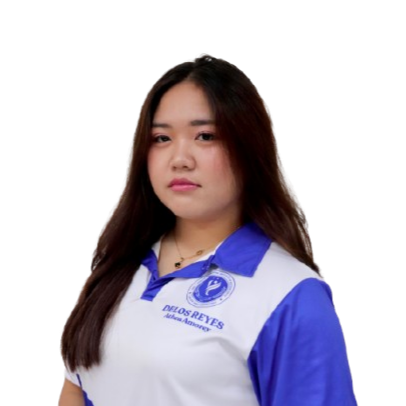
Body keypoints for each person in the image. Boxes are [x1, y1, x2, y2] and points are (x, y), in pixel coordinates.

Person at [58, 52, 358, 405]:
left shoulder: (291, 294)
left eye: (205, 136)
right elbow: (76, 387)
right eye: (161, 138)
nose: (180, 159)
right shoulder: (118, 265)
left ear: (249, 148)